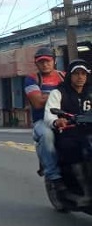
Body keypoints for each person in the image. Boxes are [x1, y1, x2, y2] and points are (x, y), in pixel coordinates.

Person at [44, 59, 92, 206]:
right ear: (69, 75)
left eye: (83, 73)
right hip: (69, 132)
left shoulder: (90, 92)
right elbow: (49, 114)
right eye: (76, 73)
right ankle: (86, 191)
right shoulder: (58, 92)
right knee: (72, 149)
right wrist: (57, 121)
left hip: (89, 131)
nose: (80, 77)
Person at [25, 46, 66, 191]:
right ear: (36, 64)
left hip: (65, 118)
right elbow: (37, 102)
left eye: (48, 61)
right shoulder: (32, 79)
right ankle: (54, 177)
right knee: (47, 135)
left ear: (54, 61)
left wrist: (45, 95)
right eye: (41, 62)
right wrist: (59, 95)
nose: (45, 64)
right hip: (42, 121)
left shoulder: (64, 76)